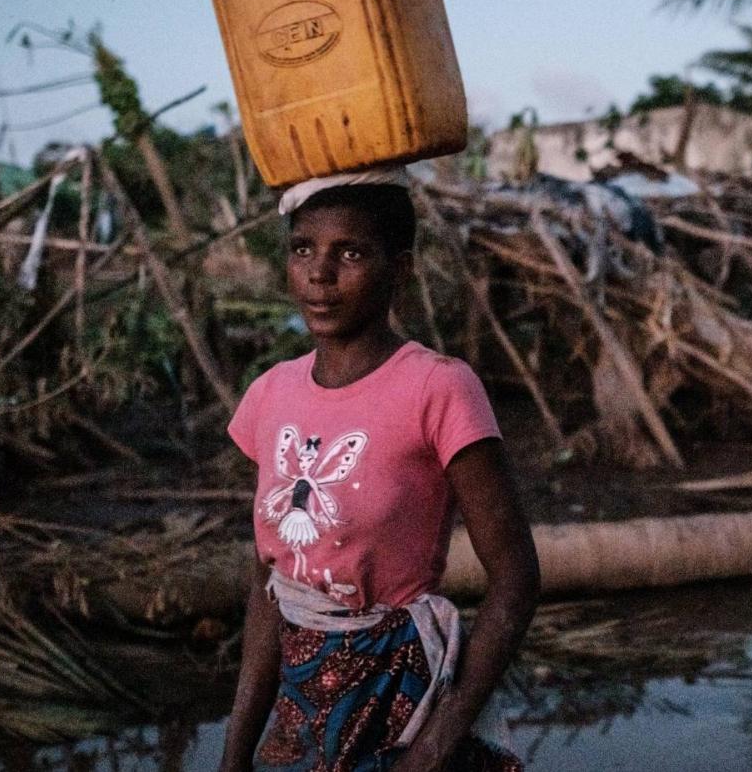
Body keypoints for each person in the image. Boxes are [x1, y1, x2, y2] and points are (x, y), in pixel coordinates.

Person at [219, 174, 540, 772]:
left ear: (400, 268)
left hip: (400, 699)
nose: (320, 273)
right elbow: (271, 583)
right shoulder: (270, 393)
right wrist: (234, 755)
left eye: (351, 252)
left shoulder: (438, 386)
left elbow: (517, 579)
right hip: (301, 708)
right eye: (303, 248)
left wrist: (432, 750)